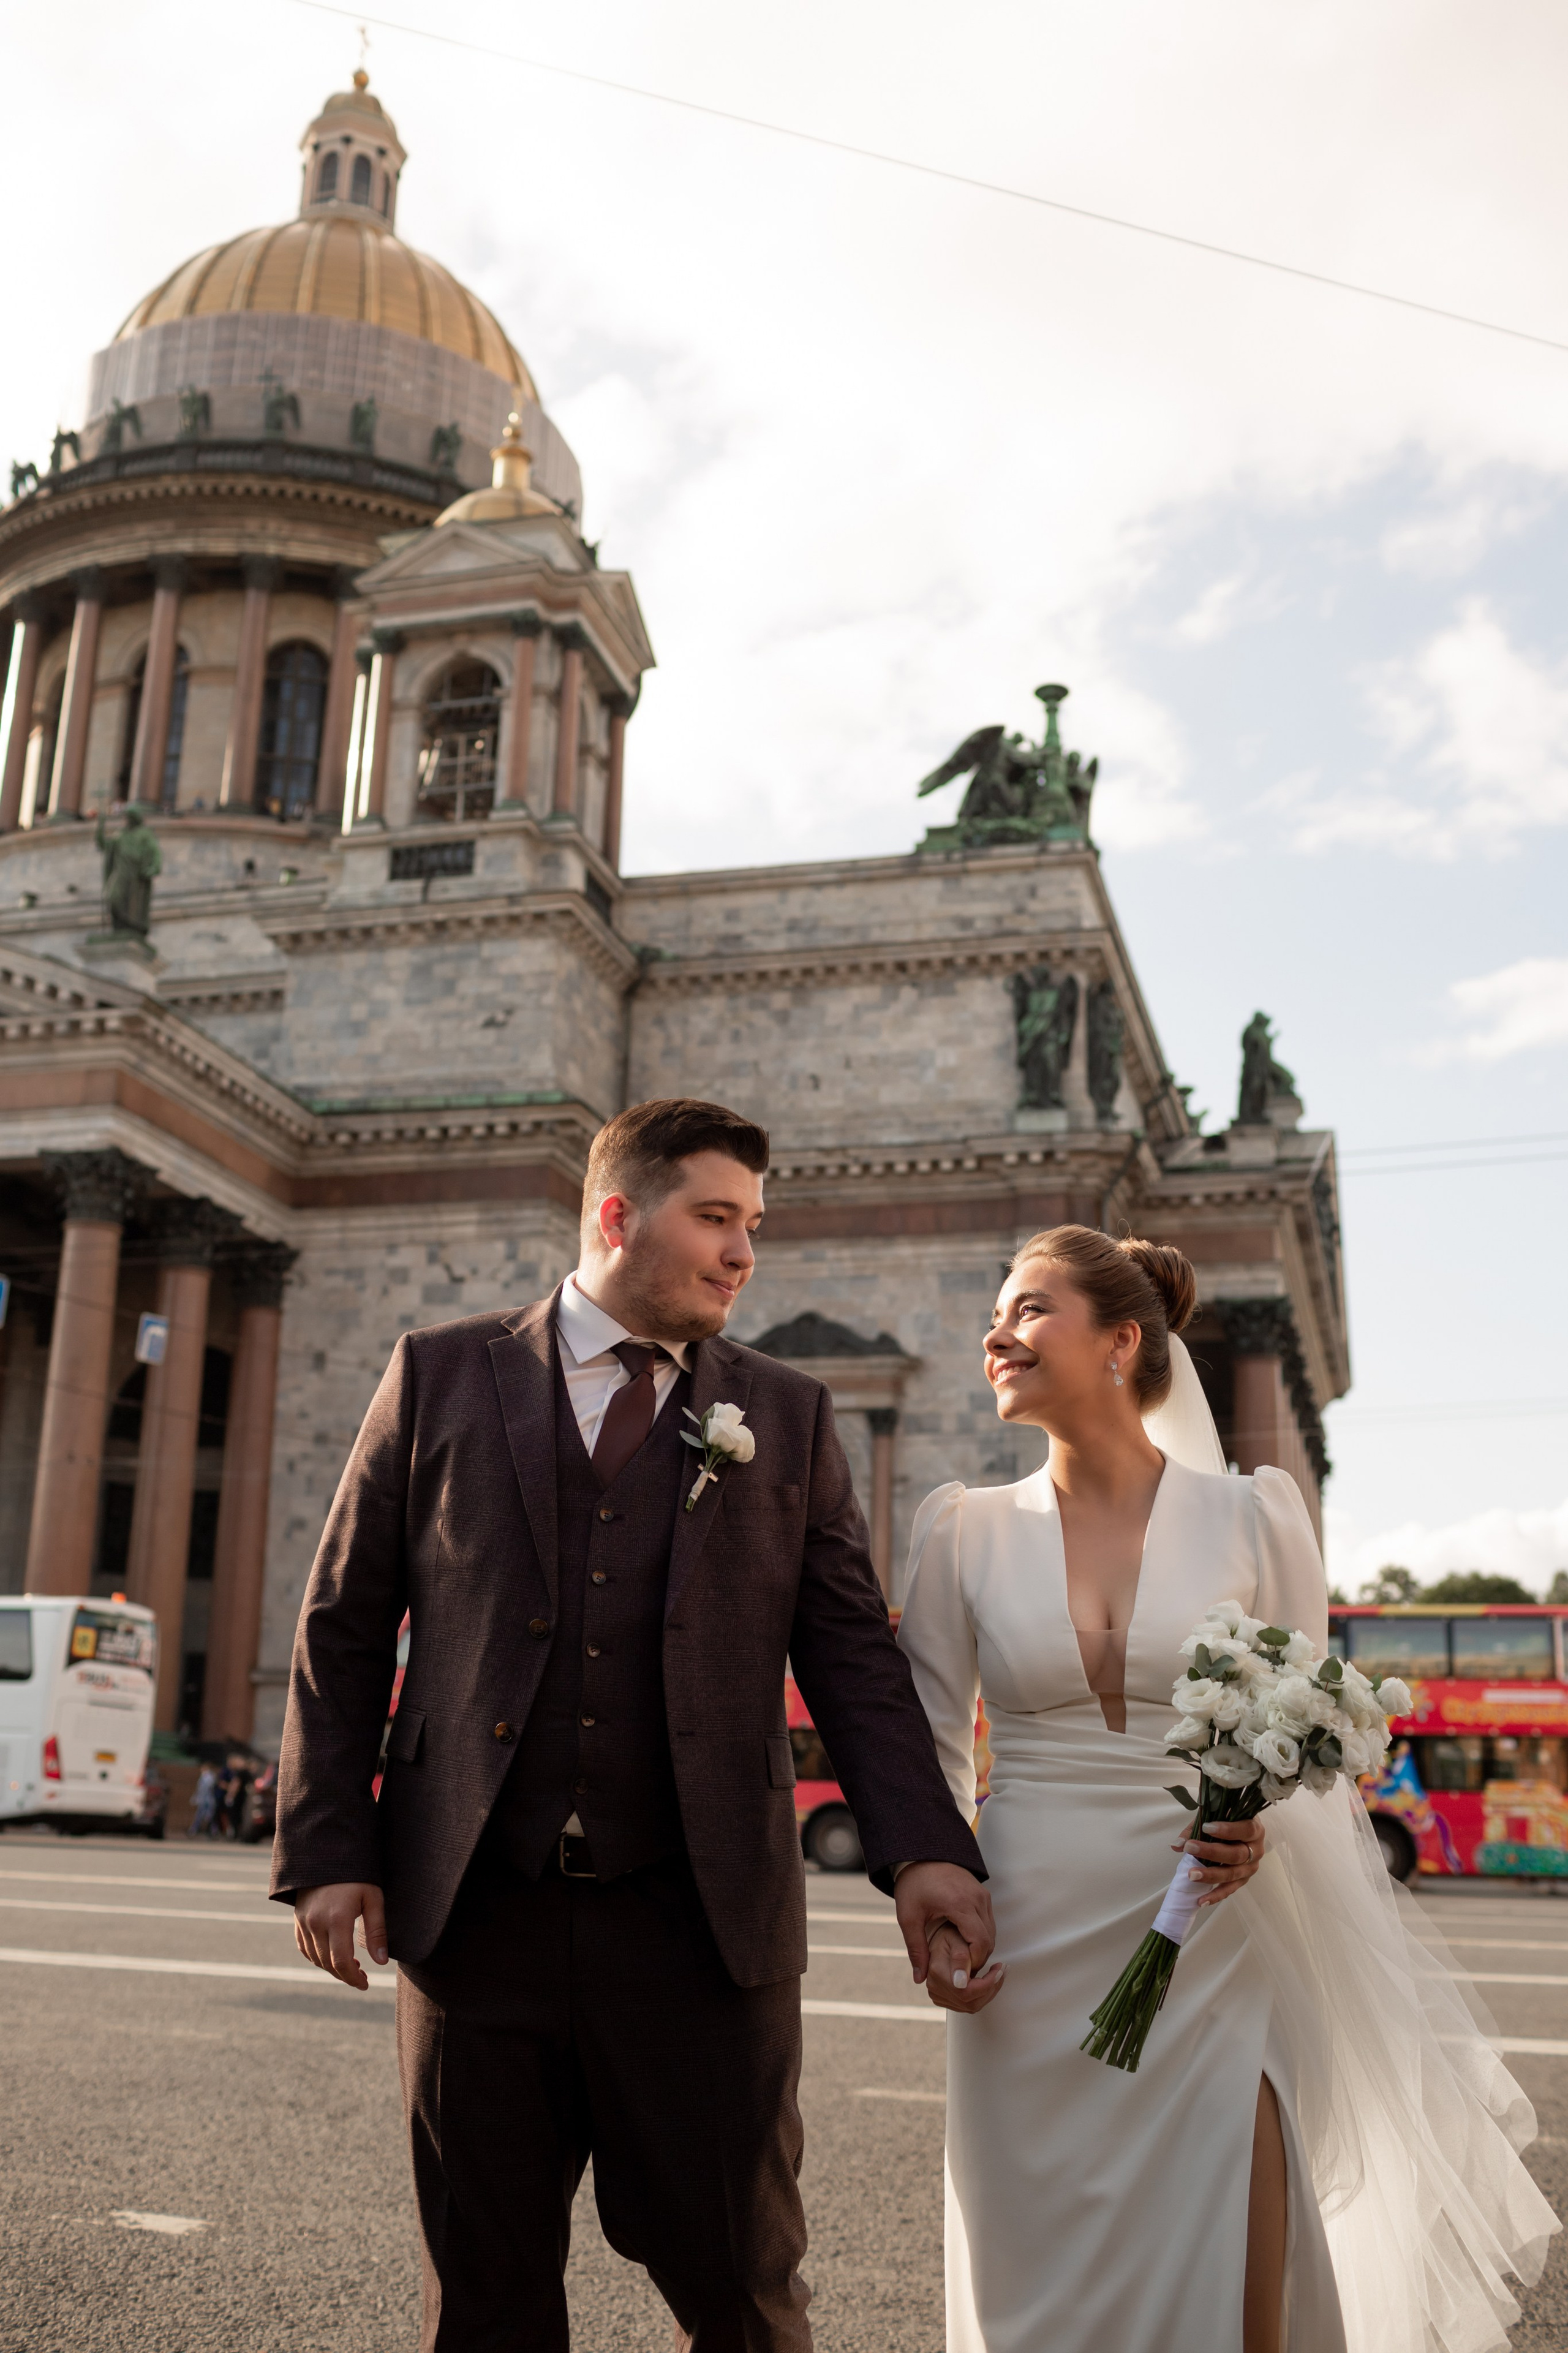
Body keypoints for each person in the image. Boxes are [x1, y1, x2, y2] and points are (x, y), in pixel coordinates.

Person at [271, 1097, 991, 2352]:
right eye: (715, 1218)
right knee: (484, 2304)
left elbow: (850, 1657)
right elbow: (343, 1620)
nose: (743, 1253)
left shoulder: (787, 1411)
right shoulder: (438, 1371)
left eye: (752, 1224)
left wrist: (924, 1847)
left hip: (702, 1930)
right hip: (473, 1920)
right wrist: (330, 1846)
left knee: (743, 2294)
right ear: (616, 1214)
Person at [897, 1226, 1558, 2353]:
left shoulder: (1257, 1516)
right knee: (1031, 2278)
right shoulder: (960, 1528)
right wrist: (939, 1893)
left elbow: (1311, 1742)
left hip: (1210, 1928)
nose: (995, 1335)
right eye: (995, 1316)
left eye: (1028, 1308)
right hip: (1024, 1943)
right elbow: (932, 1752)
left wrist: (1262, 1832)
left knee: (1228, 2249)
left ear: (1122, 1342)